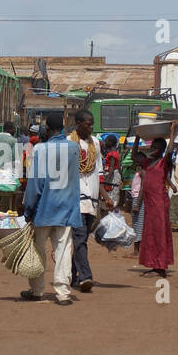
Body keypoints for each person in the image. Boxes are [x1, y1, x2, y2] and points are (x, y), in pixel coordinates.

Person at [21, 112, 81, 305]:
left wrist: (28, 209)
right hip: (67, 208)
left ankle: (37, 290)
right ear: (64, 128)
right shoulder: (74, 148)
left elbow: (35, 183)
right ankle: (63, 292)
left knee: (39, 251)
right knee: (63, 249)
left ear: (47, 129)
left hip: (44, 208)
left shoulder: (40, 149)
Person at [131, 122, 178, 276]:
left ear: (160, 151)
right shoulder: (147, 162)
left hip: (159, 203)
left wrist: (172, 133)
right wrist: (138, 137)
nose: (152, 150)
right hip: (150, 203)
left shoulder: (162, 163)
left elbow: (170, 151)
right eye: (151, 147)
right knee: (150, 233)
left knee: (159, 233)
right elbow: (133, 156)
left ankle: (161, 266)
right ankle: (154, 264)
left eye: (155, 148)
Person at [69, 109, 104, 293]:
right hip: (76, 198)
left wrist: (105, 198)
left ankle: (71, 275)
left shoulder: (96, 144)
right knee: (80, 238)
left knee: (80, 240)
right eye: (87, 124)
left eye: (92, 124)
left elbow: (98, 171)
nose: (91, 128)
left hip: (93, 199)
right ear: (78, 123)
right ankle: (86, 277)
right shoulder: (69, 143)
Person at [100, 135, 122, 211]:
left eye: (105, 141)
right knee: (112, 194)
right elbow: (119, 166)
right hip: (114, 176)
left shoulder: (112, 154)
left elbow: (112, 168)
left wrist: (106, 179)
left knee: (111, 195)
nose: (104, 143)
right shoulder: (115, 153)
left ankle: (111, 211)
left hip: (112, 177)